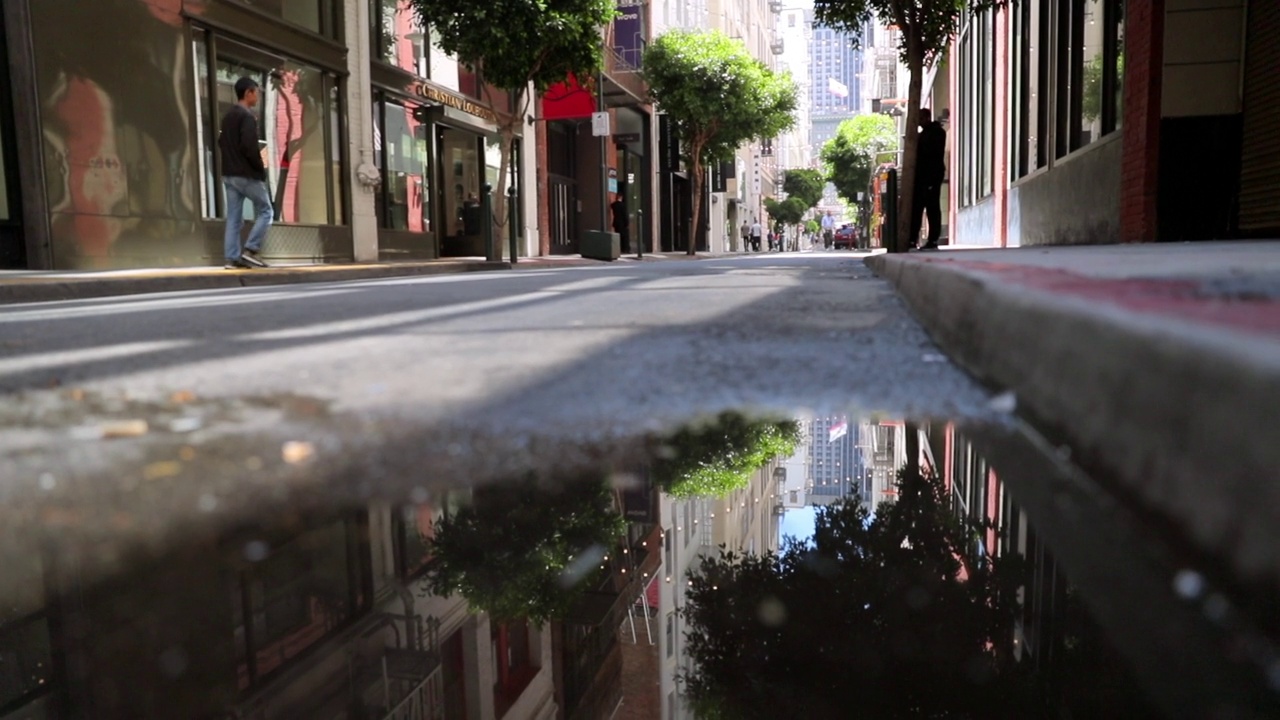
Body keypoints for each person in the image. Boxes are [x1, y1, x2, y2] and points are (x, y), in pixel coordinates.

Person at [219, 77, 272, 269]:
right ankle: (251, 249)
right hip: (246, 174)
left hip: (229, 175)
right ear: (248, 93)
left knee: (233, 217)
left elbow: (221, 143)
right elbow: (249, 147)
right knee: (267, 211)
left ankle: (231, 258)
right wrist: (260, 169)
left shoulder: (227, 117)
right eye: (256, 92)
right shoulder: (247, 117)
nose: (257, 96)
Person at [911, 108, 947, 251]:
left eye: (920, 118)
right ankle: (913, 239)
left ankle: (932, 240)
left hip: (931, 175)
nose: (918, 121)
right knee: (917, 208)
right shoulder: (924, 134)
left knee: (932, 208)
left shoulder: (936, 133)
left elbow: (932, 154)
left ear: (926, 117)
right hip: (922, 176)